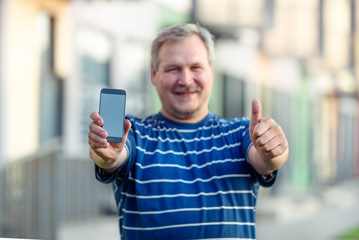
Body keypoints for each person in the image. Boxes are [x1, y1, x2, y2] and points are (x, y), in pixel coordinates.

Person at [88, 23, 289, 240]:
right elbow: (112, 156)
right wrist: (106, 155)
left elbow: (266, 160)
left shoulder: (240, 133)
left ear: (211, 72)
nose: (185, 80)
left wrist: (273, 150)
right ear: (154, 75)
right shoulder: (134, 134)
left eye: (196, 67)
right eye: (173, 69)